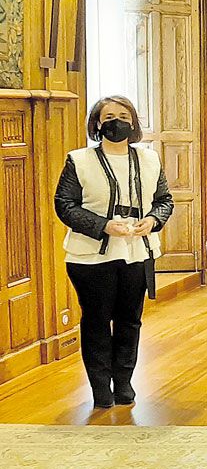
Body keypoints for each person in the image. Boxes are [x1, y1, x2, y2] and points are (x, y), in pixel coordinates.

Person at [54, 96, 173, 408]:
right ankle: (99, 387)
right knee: (96, 319)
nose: (116, 121)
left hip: (137, 252)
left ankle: (123, 381)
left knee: (130, 320)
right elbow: (64, 205)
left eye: (123, 115)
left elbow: (164, 200)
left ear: (132, 122)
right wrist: (104, 225)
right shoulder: (78, 160)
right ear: (97, 123)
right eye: (108, 116)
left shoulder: (150, 159)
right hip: (91, 257)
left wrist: (154, 219)